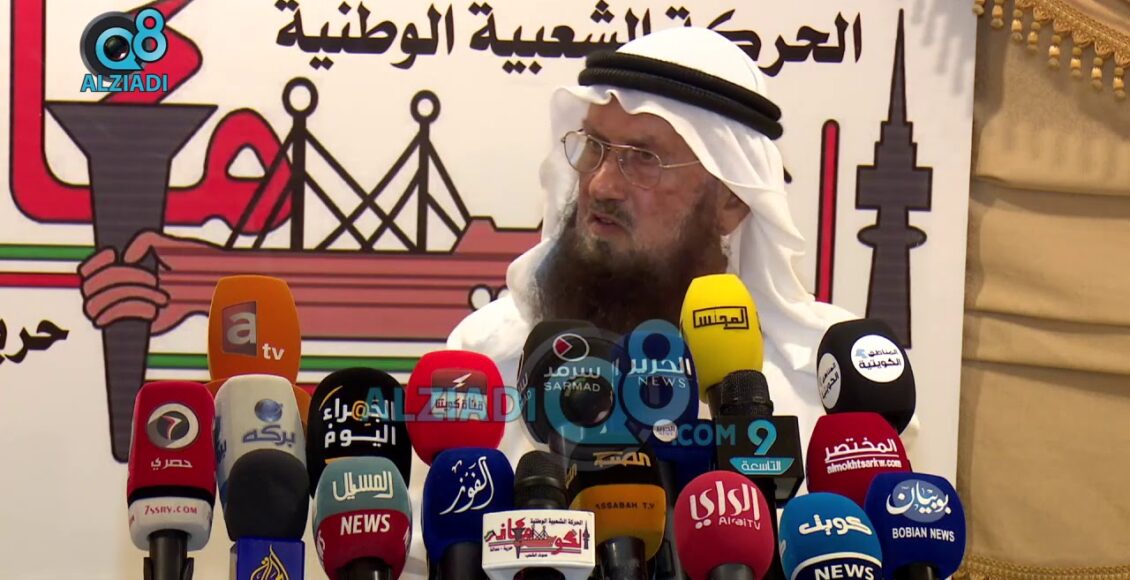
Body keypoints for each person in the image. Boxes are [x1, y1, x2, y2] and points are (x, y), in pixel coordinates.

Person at [77, 26, 862, 580]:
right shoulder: (484, 355)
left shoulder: (821, 386)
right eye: (594, 147)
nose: (600, 184)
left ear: (732, 200)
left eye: (643, 159)